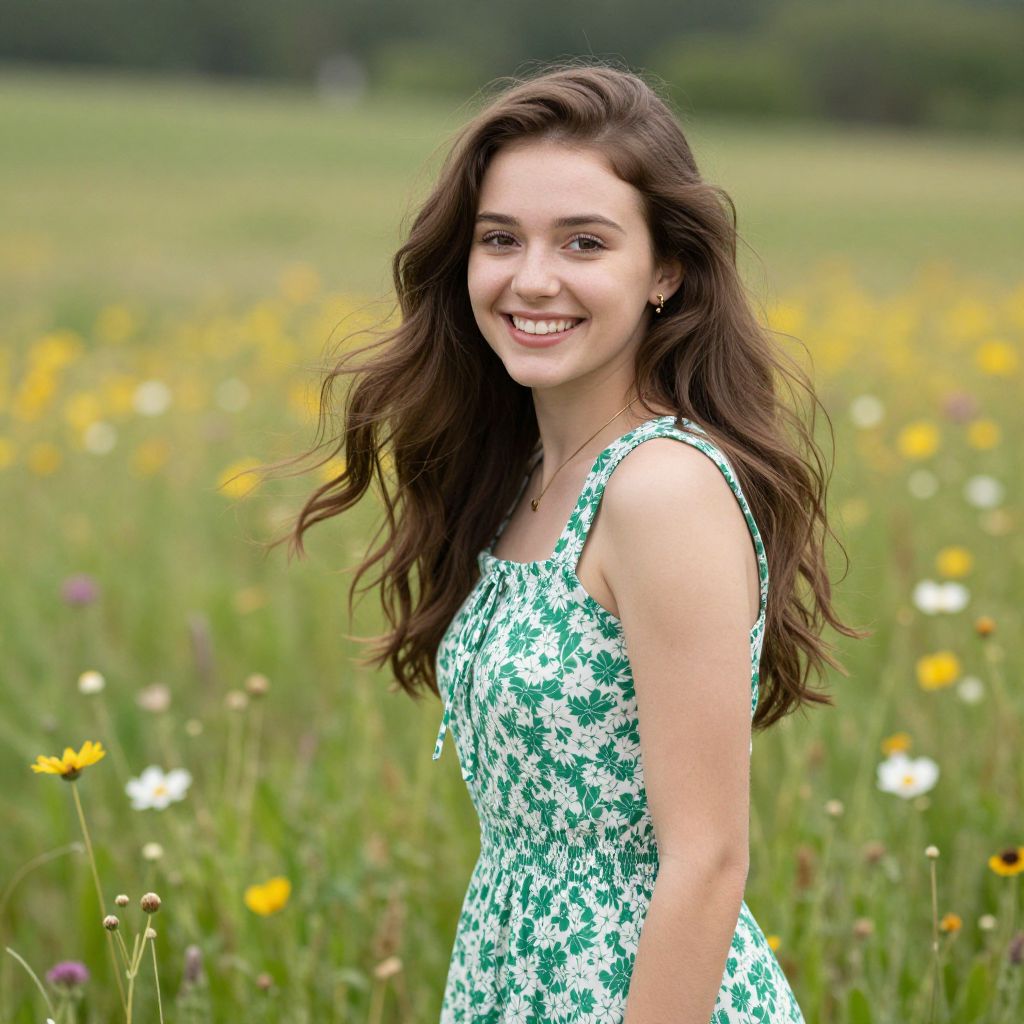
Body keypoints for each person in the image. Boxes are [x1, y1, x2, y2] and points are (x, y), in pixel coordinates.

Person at [267, 59, 868, 1024]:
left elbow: (708, 858)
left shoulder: (661, 488)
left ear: (664, 269)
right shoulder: (530, 476)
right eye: (500, 239)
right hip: (520, 978)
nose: (532, 278)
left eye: (584, 242)